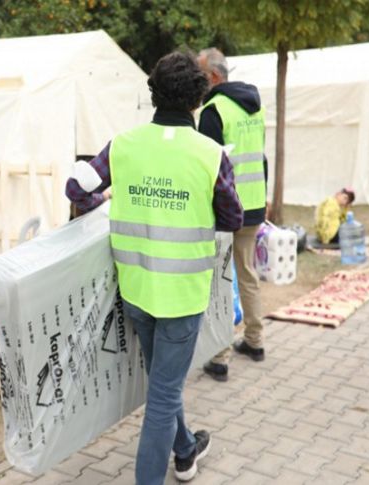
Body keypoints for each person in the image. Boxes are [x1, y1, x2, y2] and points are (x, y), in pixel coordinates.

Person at [66, 51, 243, 484]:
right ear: (198, 99)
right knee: (163, 397)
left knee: (163, 383)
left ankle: (184, 451)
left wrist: (103, 201)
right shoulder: (210, 154)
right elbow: (233, 219)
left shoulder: (122, 146)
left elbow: (76, 187)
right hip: (182, 297)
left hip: (137, 290)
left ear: (153, 94)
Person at [197, 48, 268, 382]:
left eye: (200, 75)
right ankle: (254, 341)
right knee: (248, 274)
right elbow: (261, 158)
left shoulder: (213, 110)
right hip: (254, 204)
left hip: (227, 210)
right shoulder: (256, 107)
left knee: (221, 283)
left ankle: (220, 356)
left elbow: (207, 166)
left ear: (213, 77)